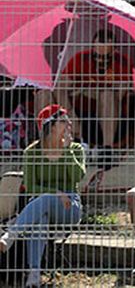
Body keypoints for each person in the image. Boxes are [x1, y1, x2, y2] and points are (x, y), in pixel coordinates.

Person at [0, 105, 85, 287]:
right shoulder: (31, 152)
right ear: (50, 126)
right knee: (40, 219)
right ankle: (34, 274)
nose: (69, 123)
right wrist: (56, 193)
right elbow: (30, 186)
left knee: (44, 201)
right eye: (63, 121)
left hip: (69, 206)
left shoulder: (76, 148)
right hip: (39, 206)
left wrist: (67, 151)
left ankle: (11, 234)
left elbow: (78, 177)